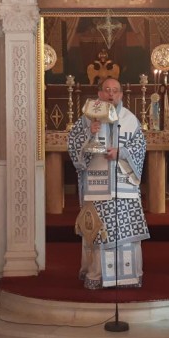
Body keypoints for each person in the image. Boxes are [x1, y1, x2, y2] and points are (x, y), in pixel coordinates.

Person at [67, 77, 149, 289]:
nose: (111, 94)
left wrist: (122, 152)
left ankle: (127, 277)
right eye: (107, 90)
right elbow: (73, 147)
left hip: (124, 188)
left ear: (121, 94)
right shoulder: (87, 118)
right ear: (100, 94)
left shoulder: (130, 119)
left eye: (115, 90)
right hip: (97, 187)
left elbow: (140, 147)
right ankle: (97, 275)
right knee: (97, 231)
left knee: (126, 232)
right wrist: (89, 133)